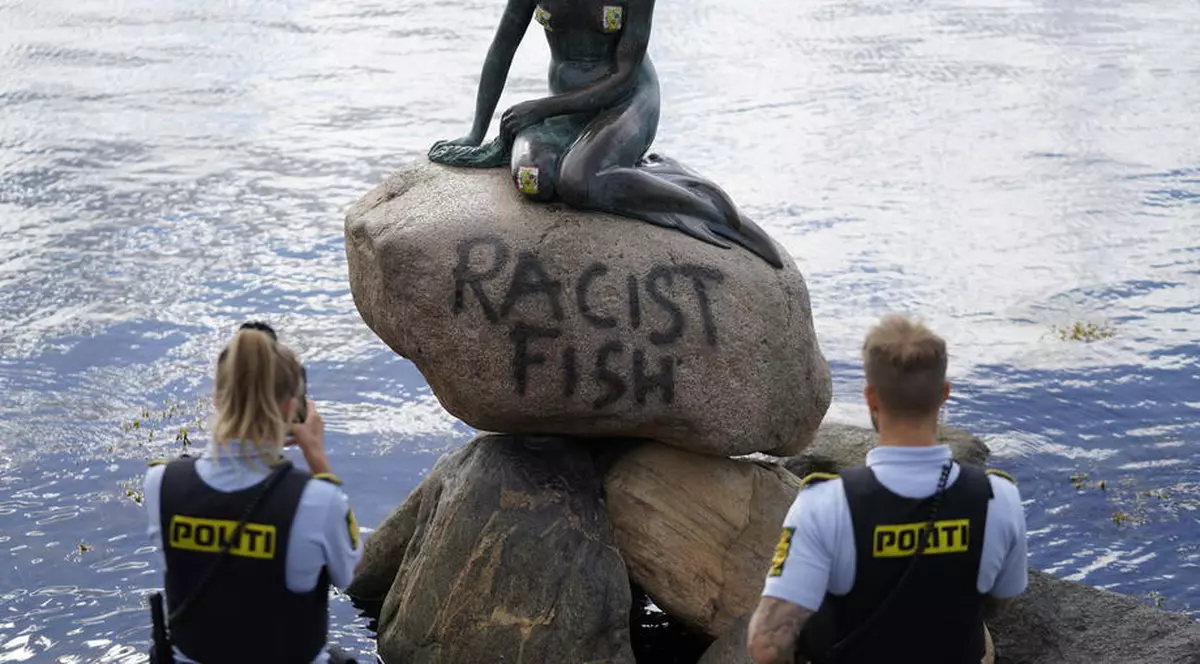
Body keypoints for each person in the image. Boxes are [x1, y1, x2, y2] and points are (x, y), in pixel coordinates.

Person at [746, 315, 1028, 664]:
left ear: (871, 398)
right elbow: (1002, 598)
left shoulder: (825, 504)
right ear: (944, 394)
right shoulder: (999, 498)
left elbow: (767, 645)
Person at [426, 0, 784, 269]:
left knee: (578, 182)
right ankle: (618, 168)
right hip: (566, 111)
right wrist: (476, 132)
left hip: (628, 102)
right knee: (534, 180)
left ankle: (708, 208)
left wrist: (542, 109)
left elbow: (624, 75)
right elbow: (501, 49)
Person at [142, 322, 362, 663]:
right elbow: (350, 573)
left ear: (217, 399)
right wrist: (316, 456)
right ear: (291, 409)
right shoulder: (317, 501)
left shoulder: (161, 485)